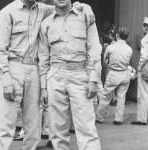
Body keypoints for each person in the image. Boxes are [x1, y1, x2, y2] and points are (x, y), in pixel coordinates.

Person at [0, 0, 95, 149]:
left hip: (34, 69)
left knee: (33, 127)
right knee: (6, 125)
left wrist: (86, 7)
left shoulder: (43, 9)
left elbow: (65, 7)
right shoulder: (6, 13)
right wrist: (6, 80)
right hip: (12, 68)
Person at [38, 0, 102, 149]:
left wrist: (93, 79)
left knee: (87, 130)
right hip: (55, 77)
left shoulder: (85, 16)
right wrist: (43, 88)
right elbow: (43, 58)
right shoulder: (46, 24)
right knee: (57, 133)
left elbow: (94, 49)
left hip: (80, 75)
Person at [96, 27, 132, 125]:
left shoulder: (111, 47)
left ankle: (100, 117)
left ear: (117, 36)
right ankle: (118, 119)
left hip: (114, 73)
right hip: (125, 73)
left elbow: (104, 60)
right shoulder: (129, 49)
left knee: (106, 96)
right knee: (121, 97)